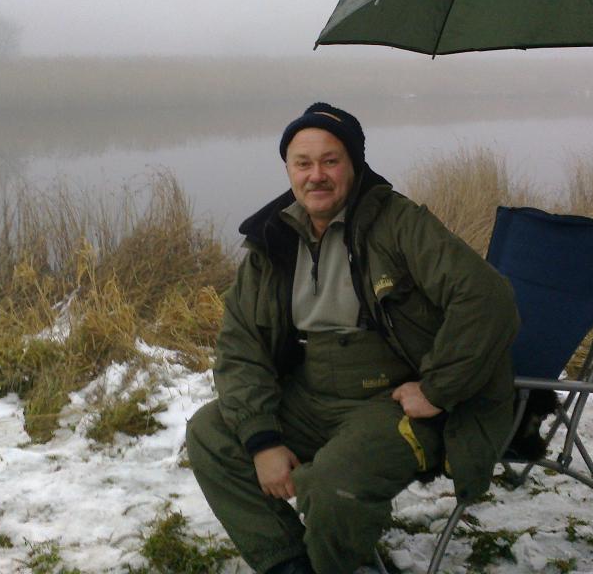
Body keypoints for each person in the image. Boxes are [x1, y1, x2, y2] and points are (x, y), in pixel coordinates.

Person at [186, 103, 519, 574]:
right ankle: (288, 563)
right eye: (303, 163)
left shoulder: (400, 223)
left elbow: (488, 298)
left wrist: (437, 389)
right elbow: (241, 347)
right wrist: (262, 440)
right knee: (210, 431)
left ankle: (335, 561)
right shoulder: (272, 240)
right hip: (310, 393)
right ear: (289, 169)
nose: (316, 176)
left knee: (333, 485)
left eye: (331, 161)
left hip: (391, 402)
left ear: (354, 165)